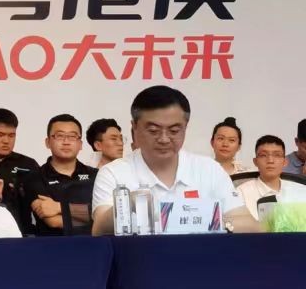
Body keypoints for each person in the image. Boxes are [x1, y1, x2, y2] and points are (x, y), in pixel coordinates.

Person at [91, 86, 258, 235]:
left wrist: (213, 223)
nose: (164, 139)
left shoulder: (208, 169)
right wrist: (129, 205)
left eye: (174, 131)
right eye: (153, 130)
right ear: (134, 127)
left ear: (186, 127)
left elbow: (250, 225)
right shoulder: (113, 173)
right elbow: (98, 229)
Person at [23, 114, 98, 236]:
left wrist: (59, 207)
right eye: (60, 136)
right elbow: (53, 221)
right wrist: (92, 217)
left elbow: (103, 215)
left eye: (72, 136)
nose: (66, 142)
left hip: (93, 244)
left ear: (80, 144)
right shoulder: (34, 178)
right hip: (53, 245)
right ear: (48, 142)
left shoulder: (96, 175)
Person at [0, 108, 39, 234]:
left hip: (23, 233)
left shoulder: (28, 164)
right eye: (0, 135)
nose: (6, 141)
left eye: (11, 135)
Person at [239, 135, 306, 220]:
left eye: (277, 155)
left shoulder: (301, 191)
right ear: (255, 162)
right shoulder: (241, 194)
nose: (270, 161)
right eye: (263, 155)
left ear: (285, 162)